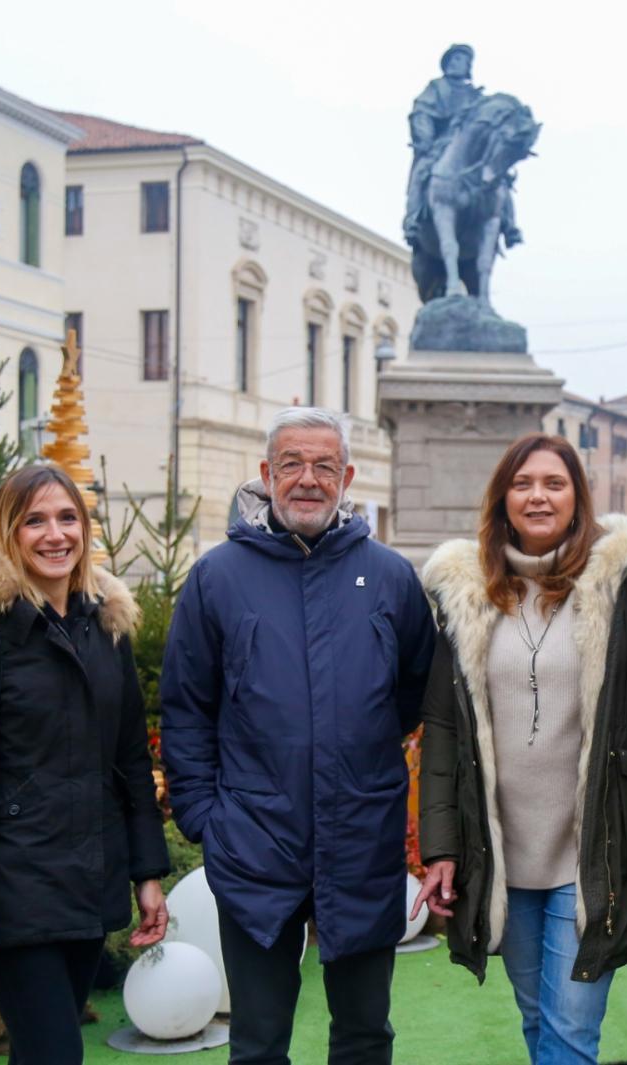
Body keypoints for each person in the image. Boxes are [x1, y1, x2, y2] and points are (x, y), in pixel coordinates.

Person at [161, 407, 435, 1065]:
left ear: (347, 474)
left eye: (322, 466)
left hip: (361, 840)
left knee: (366, 1034)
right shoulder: (217, 578)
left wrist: (358, 753)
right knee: (257, 1042)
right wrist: (206, 817)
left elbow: (413, 693)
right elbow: (187, 707)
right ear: (266, 474)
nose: (307, 480)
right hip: (254, 841)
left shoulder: (391, 577)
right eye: (292, 464)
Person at [413, 433, 627, 1065]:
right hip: (503, 856)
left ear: (577, 499)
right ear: (503, 499)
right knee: (539, 1018)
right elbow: (444, 732)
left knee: (571, 1028)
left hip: (593, 847)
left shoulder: (625, 588)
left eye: (554, 483)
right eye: (523, 484)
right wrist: (440, 849)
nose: (537, 495)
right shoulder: (465, 595)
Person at [0, 463, 170, 1065]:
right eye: (35, 521)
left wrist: (146, 873)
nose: (56, 535)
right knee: (56, 1055)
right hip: (12, 888)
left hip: (87, 881)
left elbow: (130, 759)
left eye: (68, 517)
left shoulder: (108, 632)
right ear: (7, 534)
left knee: (40, 1054)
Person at [403, 43, 521, 250]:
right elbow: (421, 113)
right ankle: (412, 219)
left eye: (462, 60)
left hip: (473, 152)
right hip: (440, 147)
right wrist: (426, 139)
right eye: (453, 59)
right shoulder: (436, 88)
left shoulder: (475, 96)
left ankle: (509, 225)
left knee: (499, 180)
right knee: (421, 171)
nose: (456, 64)